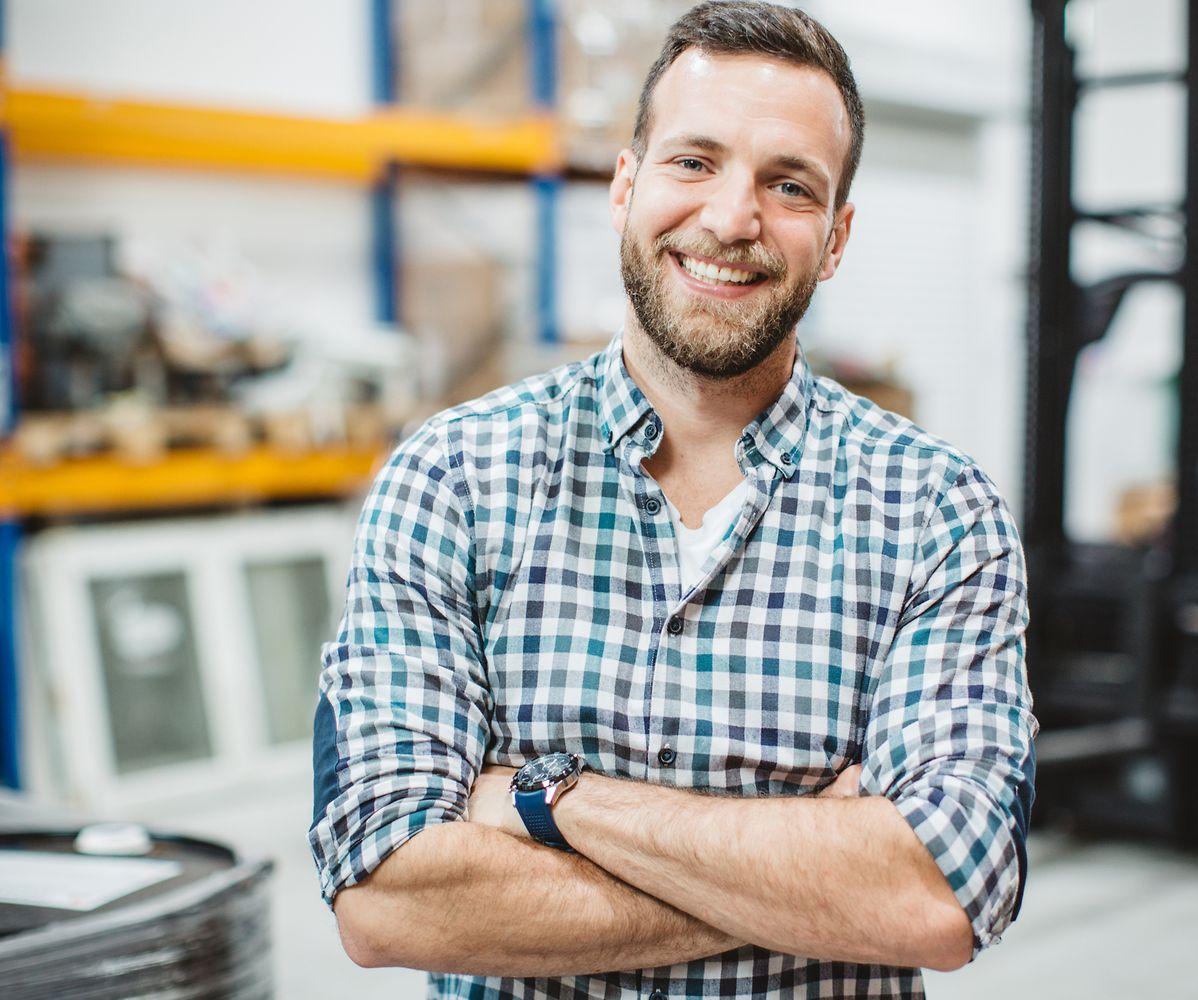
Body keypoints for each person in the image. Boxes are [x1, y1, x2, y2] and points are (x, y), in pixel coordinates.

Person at [310, 2, 1036, 996]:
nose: (732, 219)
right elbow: (388, 898)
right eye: (693, 162)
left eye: (789, 186)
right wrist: (817, 874)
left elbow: (936, 899)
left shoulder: (937, 514)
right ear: (624, 185)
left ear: (835, 238)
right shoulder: (451, 480)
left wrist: (550, 799)